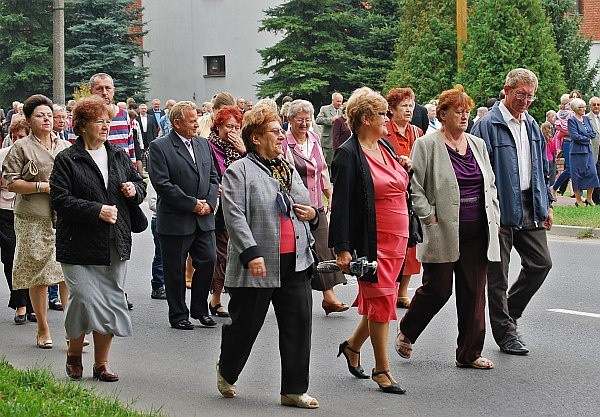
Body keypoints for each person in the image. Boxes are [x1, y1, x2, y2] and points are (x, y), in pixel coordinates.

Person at [216, 106, 319, 408]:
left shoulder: (285, 167)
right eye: (275, 132)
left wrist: (312, 213)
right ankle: (227, 369)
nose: (281, 136)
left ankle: (293, 390)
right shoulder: (240, 171)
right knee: (246, 326)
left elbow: (306, 203)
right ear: (257, 138)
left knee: (298, 324)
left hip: (296, 260)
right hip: (259, 264)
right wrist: (251, 253)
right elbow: (234, 216)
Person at [395, 86, 500, 369]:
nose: (464, 116)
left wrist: (495, 216)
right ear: (443, 114)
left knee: (474, 292)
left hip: (478, 230)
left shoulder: (477, 144)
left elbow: (489, 184)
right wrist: (427, 216)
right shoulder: (427, 145)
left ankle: (469, 353)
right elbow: (414, 186)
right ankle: (408, 330)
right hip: (442, 228)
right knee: (439, 289)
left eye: (467, 111)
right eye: (459, 111)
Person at [50, 95, 146, 381]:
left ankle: (101, 363)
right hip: (77, 245)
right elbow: (60, 199)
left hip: (114, 243)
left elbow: (140, 184)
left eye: (107, 121)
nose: (105, 126)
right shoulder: (68, 158)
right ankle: (74, 353)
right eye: (98, 122)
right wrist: (96, 211)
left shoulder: (117, 154)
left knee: (110, 300)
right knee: (83, 297)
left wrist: (134, 190)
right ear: (81, 126)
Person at [329, 87, 412, 394]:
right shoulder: (348, 155)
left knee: (383, 298)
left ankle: (352, 347)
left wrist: (405, 169)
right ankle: (382, 369)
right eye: (382, 114)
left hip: (397, 238)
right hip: (371, 241)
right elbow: (342, 206)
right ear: (365, 118)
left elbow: (398, 184)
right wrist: (342, 248)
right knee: (381, 300)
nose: (388, 119)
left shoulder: (385, 147)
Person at [471, 68, 553, 356]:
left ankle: (509, 312)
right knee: (498, 274)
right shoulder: (487, 125)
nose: (526, 101)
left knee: (541, 263)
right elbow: (475, 170)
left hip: (530, 205)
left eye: (530, 96)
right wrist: (483, 211)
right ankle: (506, 335)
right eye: (521, 94)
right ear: (506, 90)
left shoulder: (530, 124)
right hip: (499, 208)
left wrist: (548, 204)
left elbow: (542, 168)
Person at [2, 94, 71, 349]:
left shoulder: (64, 146)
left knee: (66, 273)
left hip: (63, 218)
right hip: (33, 218)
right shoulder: (21, 147)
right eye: (40, 115)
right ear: (29, 120)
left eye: (50, 115)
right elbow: (11, 182)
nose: (47, 119)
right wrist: (43, 186)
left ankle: (71, 328)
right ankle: (42, 328)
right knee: (39, 275)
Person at [148, 101, 219, 330]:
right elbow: (163, 184)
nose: (196, 123)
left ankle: (200, 309)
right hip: (177, 219)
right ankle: (178, 314)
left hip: (204, 218)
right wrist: (192, 205)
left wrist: (208, 203)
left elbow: (213, 177)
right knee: (176, 270)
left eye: (197, 118)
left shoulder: (203, 144)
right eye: (191, 120)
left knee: (209, 260)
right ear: (176, 123)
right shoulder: (160, 147)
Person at [283, 99, 348, 315]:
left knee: (323, 247)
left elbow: (322, 170)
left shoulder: (314, 137)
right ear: (290, 120)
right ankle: (285, 294)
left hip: (317, 205)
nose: (304, 123)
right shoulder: (284, 143)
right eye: (300, 119)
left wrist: (330, 194)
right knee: (295, 253)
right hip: (295, 208)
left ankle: (328, 297)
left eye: (307, 119)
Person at [384, 87, 423, 309]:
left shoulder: (417, 133)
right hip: (391, 193)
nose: (409, 109)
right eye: (404, 106)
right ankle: (388, 288)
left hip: (413, 193)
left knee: (412, 244)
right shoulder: (384, 132)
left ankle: (402, 291)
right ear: (392, 109)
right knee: (392, 244)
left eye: (411, 105)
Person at [207, 105, 246, 317]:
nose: (232, 131)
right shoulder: (209, 145)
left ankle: (236, 296)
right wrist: (214, 187)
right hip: (220, 207)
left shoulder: (241, 147)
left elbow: (254, 170)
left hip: (240, 204)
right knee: (222, 254)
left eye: (237, 126)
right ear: (218, 125)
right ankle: (216, 298)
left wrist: (243, 150)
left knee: (239, 253)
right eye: (228, 126)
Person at [0, 119, 33, 324]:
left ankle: (31, 304)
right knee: (11, 257)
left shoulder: (33, 155)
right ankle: (20, 304)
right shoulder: (3, 156)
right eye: (14, 137)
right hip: (4, 211)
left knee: (30, 258)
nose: (17, 141)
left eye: (21, 137)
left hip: (30, 211)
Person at [567, 98, 599, 206]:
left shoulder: (586, 119)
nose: (583, 109)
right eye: (581, 107)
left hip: (588, 151)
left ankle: (589, 198)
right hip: (577, 153)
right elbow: (574, 136)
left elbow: (593, 133)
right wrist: (586, 139)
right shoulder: (572, 120)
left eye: (584, 107)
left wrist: (585, 136)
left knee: (592, 174)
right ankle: (579, 200)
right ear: (575, 109)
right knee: (577, 176)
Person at [315, 92, 343, 165]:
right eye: (338, 101)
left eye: (341, 101)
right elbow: (318, 120)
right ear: (332, 100)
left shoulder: (342, 111)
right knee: (326, 164)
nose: (340, 103)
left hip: (339, 142)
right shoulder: (324, 109)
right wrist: (331, 120)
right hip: (328, 142)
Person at [586, 97, 600, 204]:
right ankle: (594, 199)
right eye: (594, 104)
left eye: (598, 104)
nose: (596, 107)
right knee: (595, 174)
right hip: (593, 151)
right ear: (590, 106)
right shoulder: (586, 118)